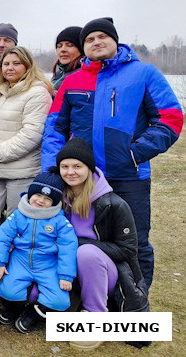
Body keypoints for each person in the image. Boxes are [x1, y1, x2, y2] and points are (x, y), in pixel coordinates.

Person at [42, 17, 183, 288]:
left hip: (129, 176)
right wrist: (53, 168)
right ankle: (93, 299)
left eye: (101, 37)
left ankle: (136, 302)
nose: (96, 42)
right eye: (89, 39)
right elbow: (54, 128)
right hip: (83, 180)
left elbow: (171, 118)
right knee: (84, 239)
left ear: (115, 40)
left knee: (135, 241)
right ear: (84, 47)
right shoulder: (73, 81)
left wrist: (135, 153)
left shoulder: (144, 73)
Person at [56, 138, 150, 350]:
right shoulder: (58, 197)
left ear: (89, 169)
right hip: (67, 269)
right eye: (65, 166)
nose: (70, 172)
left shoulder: (113, 203)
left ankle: (95, 318)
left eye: (77, 166)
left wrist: (79, 244)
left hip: (105, 272)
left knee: (86, 254)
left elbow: (128, 250)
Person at [0, 169, 78, 333]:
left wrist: (66, 275)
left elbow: (68, 247)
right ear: (30, 193)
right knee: (7, 290)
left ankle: (31, 316)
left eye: (47, 198)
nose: (40, 200)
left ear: (54, 202)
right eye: (37, 195)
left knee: (60, 300)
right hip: (20, 260)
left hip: (48, 264)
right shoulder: (18, 215)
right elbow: (3, 236)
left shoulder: (59, 221)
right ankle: (13, 310)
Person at [0, 46, 53, 218]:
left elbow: (31, 134)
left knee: (15, 220)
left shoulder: (37, 93)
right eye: (6, 63)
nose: (10, 68)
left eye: (16, 63)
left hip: (21, 172)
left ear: (27, 66)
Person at [50, 26, 84, 93]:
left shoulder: (85, 75)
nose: (62, 50)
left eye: (69, 45)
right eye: (59, 46)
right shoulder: (58, 74)